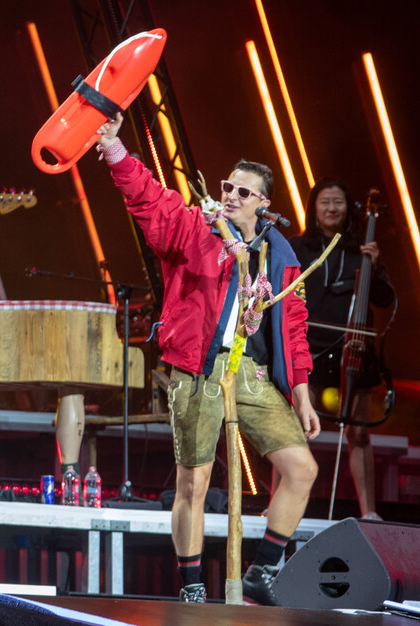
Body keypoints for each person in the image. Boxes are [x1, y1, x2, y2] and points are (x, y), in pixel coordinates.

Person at [96, 113, 319, 605]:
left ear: (264, 203)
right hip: (198, 370)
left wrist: (301, 393)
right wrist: (115, 151)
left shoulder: (278, 253)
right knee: (193, 484)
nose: (231, 197)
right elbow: (150, 197)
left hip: (248, 373)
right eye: (227, 187)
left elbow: (294, 327)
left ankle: (264, 572)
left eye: (243, 192)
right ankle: (192, 585)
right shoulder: (195, 228)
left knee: (301, 468)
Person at [289, 179, 395, 520]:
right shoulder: (297, 248)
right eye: (325, 202)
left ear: (349, 209)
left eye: (338, 202)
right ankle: (286, 506)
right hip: (309, 348)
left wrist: (375, 268)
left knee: (359, 431)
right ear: (313, 207)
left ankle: (370, 513)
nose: (332, 208)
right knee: (295, 430)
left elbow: (383, 300)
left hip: (353, 347)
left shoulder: (362, 251)